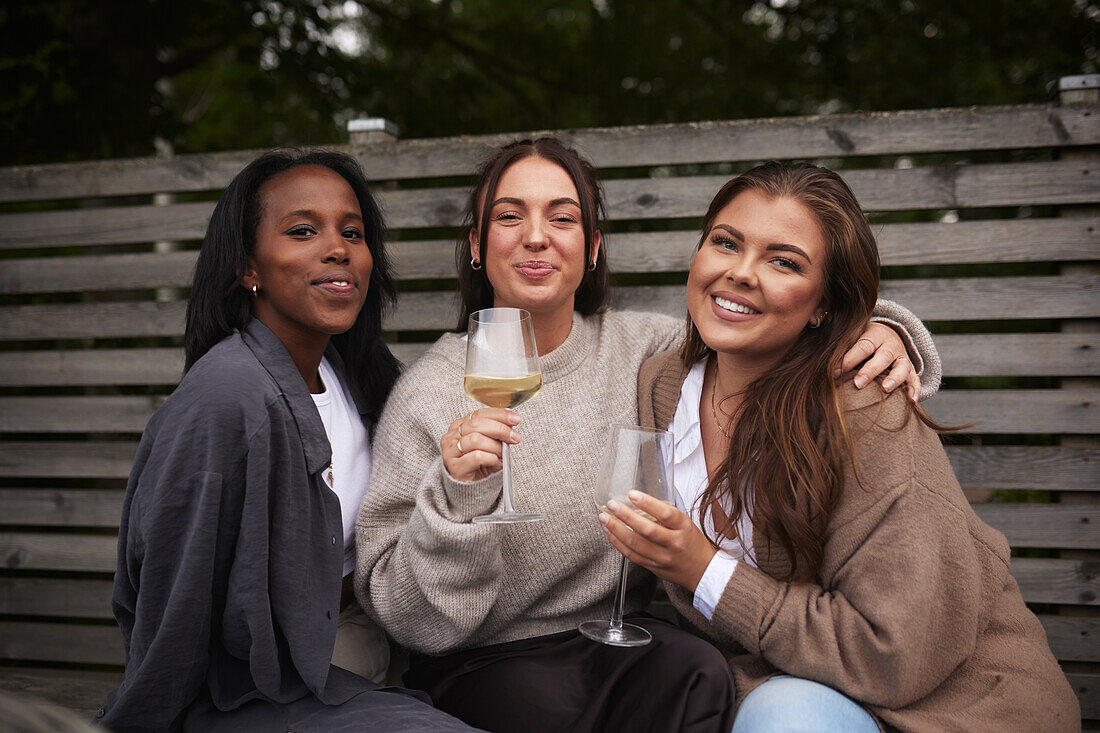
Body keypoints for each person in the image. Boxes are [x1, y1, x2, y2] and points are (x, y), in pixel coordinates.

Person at [354, 139, 940, 732]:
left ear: (593, 247)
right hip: (483, 660)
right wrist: (454, 502)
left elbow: (753, 317)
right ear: (477, 246)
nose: (536, 236)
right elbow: (407, 620)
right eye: (509, 216)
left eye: (563, 217)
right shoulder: (427, 396)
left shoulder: (645, 351)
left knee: (699, 671)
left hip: (613, 642)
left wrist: (887, 330)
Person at [602, 161, 1080, 731]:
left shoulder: (866, 408)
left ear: (824, 304)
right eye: (725, 243)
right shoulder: (662, 383)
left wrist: (704, 570)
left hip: (952, 708)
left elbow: (890, 656)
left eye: (784, 261)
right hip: (771, 685)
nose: (741, 273)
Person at [96, 150, 479, 733]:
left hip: (375, 643)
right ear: (248, 267)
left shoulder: (359, 376)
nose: (338, 247)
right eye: (303, 231)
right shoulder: (224, 400)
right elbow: (175, 597)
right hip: (254, 688)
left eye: (352, 232)